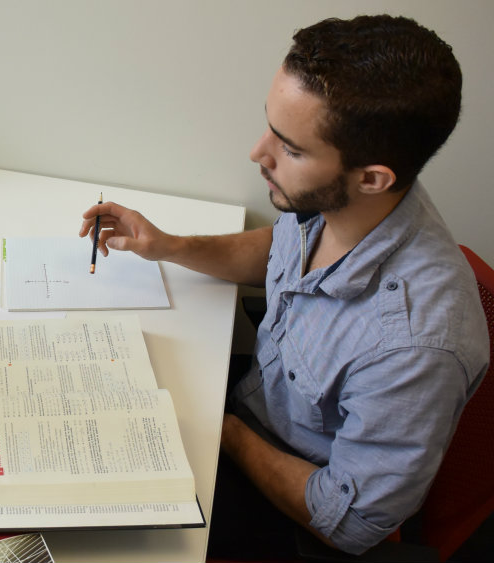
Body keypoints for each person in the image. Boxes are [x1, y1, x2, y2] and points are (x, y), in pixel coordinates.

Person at [79, 15, 488, 557]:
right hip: (249, 409)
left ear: (372, 177)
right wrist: (169, 246)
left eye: (290, 149)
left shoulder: (416, 348)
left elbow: (348, 522)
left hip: (291, 509)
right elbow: (280, 250)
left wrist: (220, 428)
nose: (258, 153)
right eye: (270, 126)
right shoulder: (345, 201)